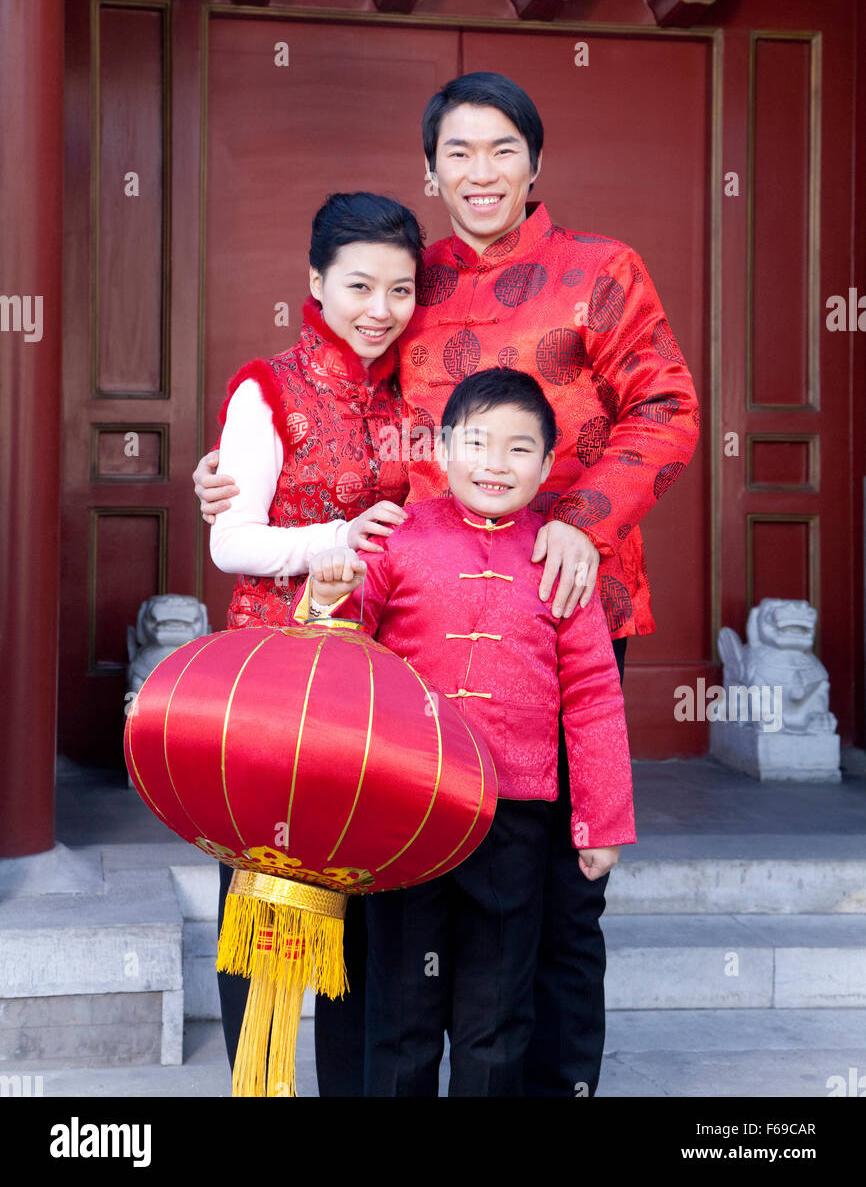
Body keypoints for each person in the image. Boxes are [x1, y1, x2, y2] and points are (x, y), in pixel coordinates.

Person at [195, 71, 700, 1096]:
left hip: (560, 609)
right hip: (410, 625)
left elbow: (668, 409)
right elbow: (340, 399)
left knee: (549, 893)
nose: (479, 172)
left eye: (501, 149)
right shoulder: (406, 281)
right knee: (391, 884)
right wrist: (236, 478)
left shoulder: (600, 269)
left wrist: (581, 522)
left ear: (534, 163)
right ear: (427, 169)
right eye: (457, 153)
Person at [290, 368, 635, 1097]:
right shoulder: (398, 538)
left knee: (496, 1012)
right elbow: (342, 654)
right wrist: (324, 597)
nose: (495, 464)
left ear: (546, 467)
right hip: (408, 815)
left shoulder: (559, 558)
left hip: (515, 819)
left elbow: (595, 698)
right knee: (402, 1011)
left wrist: (599, 822)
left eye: (519, 450)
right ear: (441, 450)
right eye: (476, 443)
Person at [209, 190, 421, 1093]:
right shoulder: (269, 386)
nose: (380, 309)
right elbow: (231, 539)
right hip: (279, 680)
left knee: (367, 906)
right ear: (315, 282)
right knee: (269, 896)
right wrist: (335, 541)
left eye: (402, 290)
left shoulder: (421, 393)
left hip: (386, 678)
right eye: (360, 285)